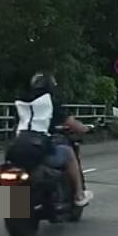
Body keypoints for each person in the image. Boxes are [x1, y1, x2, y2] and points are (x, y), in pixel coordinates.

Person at [16, 72, 92, 207]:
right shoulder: (50, 101)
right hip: (38, 147)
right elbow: (69, 122)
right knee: (68, 153)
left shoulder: (21, 99)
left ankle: (3, 205)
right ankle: (79, 195)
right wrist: (85, 129)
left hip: (16, 148)